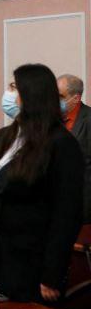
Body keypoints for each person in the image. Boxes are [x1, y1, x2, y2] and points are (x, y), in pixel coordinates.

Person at [0, 64, 84, 302]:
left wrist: (52, 274)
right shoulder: (4, 136)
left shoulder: (61, 144)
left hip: (26, 262)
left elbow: (67, 215)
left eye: (14, 87)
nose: (9, 94)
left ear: (31, 94)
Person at [57, 74, 91, 222]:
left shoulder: (88, 119)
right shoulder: (53, 119)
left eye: (60, 96)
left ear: (76, 98)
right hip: (56, 201)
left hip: (83, 203)